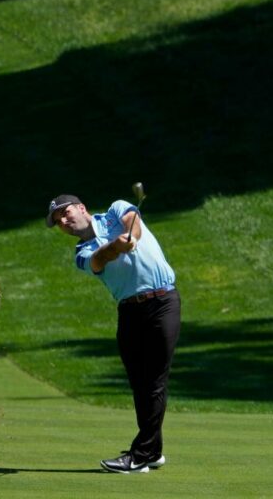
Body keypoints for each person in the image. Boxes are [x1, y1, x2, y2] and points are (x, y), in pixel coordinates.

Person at [46, 194, 181, 474]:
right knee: (140, 385)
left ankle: (139, 456)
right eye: (59, 221)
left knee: (154, 381)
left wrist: (130, 237)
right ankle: (153, 451)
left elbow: (134, 223)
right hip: (129, 313)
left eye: (66, 212)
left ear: (81, 207)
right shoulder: (81, 253)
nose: (65, 221)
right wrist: (116, 247)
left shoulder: (115, 211)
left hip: (162, 302)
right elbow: (100, 259)